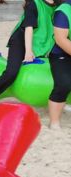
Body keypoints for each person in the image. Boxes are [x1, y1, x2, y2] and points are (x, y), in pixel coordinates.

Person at [0, 0, 58, 112]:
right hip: (21, 40)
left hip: (41, 42)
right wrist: (28, 51)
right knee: (11, 72)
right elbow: (29, 28)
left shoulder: (60, 4)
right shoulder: (34, 3)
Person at [48, 0, 71, 129]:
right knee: (64, 84)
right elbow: (61, 40)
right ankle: (54, 122)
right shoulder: (64, 10)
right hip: (61, 54)